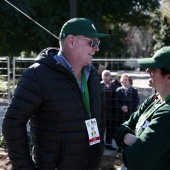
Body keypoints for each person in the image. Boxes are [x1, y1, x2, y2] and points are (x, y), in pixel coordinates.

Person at [2, 18, 110, 170]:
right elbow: (12, 123)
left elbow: (100, 116)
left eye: (98, 43)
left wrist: (99, 150)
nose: (97, 48)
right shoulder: (37, 75)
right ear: (71, 41)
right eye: (92, 42)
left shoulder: (92, 74)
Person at [114, 46, 170, 170]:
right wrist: (137, 143)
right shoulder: (154, 99)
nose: (147, 70)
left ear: (168, 77)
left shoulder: (167, 112)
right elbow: (121, 129)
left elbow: (138, 159)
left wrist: (127, 145)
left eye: (154, 69)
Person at [100, 70, 117, 150]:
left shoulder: (114, 86)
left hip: (112, 111)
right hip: (101, 111)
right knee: (101, 128)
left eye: (108, 75)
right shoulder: (98, 85)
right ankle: (100, 145)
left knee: (110, 128)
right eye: (104, 75)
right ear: (102, 76)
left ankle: (108, 144)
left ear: (110, 77)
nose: (106, 76)